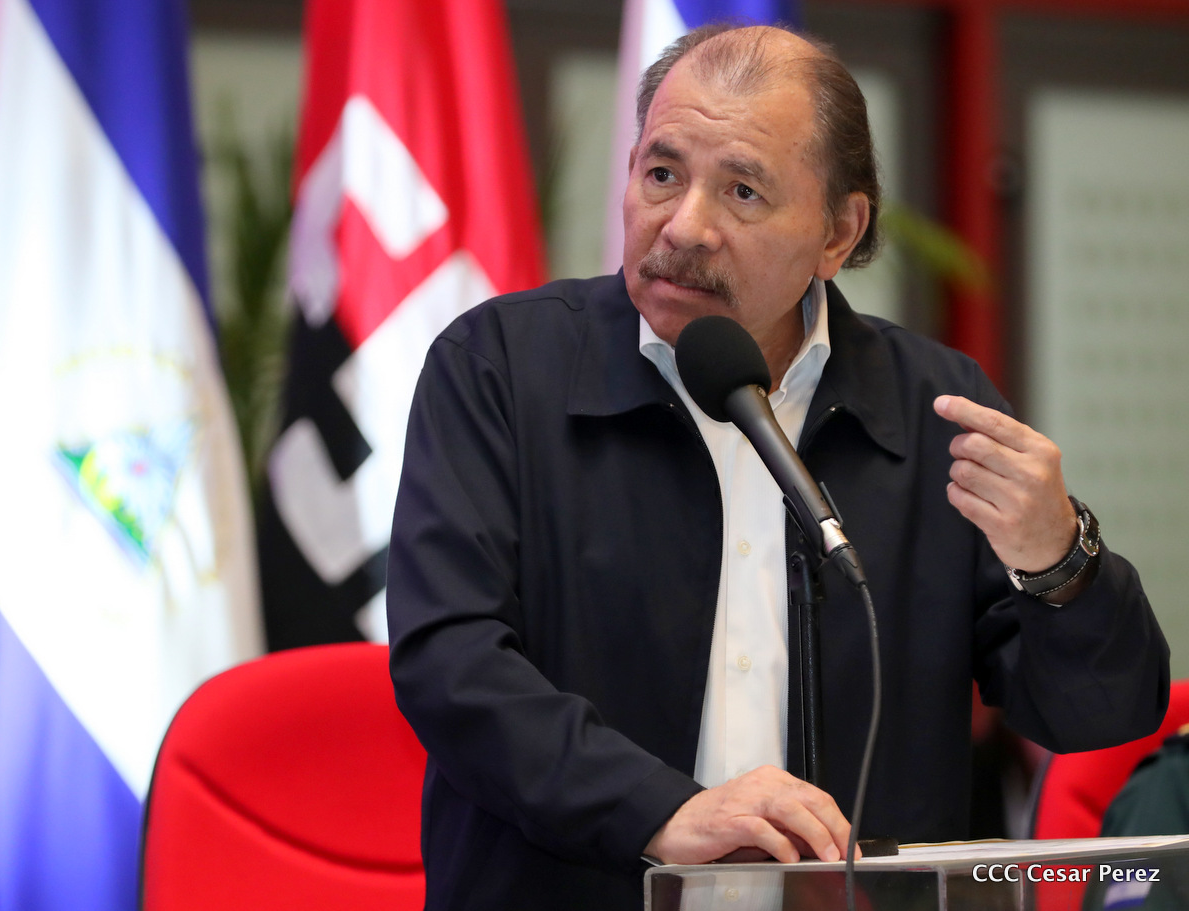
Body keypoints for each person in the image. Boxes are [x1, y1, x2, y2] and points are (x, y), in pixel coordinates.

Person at [384, 22, 1169, 911]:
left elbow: (1098, 714)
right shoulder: (500, 368)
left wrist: (1058, 559)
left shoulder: (933, 412)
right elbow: (452, 662)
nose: (685, 226)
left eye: (743, 191)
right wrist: (659, 809)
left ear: (839, 231)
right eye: (661, 174)